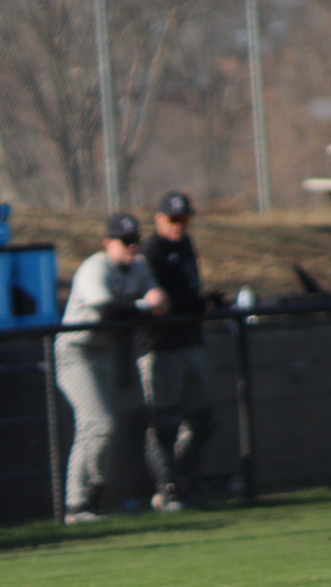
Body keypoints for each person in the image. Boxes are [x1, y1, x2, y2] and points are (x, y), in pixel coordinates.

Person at [56, 213, 169, 524]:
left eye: (135, 241)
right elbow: (107, 311)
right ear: (108, 243)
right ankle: (84, 498)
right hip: (76, 351)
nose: (131, 247)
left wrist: (156, 300)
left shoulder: (140, 267)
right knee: (102, 424)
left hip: (104, 352)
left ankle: (82, 505)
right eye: (124, 241)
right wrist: (146, 305)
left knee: (93, 428)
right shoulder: (96, 267)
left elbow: (161, 300)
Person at [138, 191, 221, 510]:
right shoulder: (152, 249)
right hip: (162, 345)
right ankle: (167, 490)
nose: (179, 226)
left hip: (190, 341)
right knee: (165, 422)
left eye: (184, 219)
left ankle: (183, 479)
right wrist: (198, 304)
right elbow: (164, 300)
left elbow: (187, 291)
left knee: (204, 420)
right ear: (159, 219)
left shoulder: (184, 245)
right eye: (174, 219)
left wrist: (208, 300)